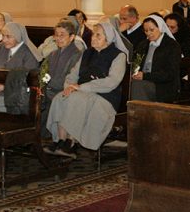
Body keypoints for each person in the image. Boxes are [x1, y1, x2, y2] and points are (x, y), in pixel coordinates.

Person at [45, 21, 128, 158]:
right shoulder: (87, 53)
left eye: (98, 35)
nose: (93, 38)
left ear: (108, 37)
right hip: (81, 91)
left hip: (105, 96)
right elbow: (73, 73)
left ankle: (70, 143)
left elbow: (111, 82)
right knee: (61, 97)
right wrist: (69, 87)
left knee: (76, 99)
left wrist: (81, 87)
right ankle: (60, 140)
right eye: (93, 34)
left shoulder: (118, 55)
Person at [39, 19, 85, 136]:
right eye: (56, 35)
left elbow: (69, 78)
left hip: (62, 91)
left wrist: (48, 88)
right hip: (49, 91)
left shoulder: (77, 55)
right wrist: (42, 85)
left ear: (72, 37)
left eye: (62, 35)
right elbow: (47, 74)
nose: (58, 38)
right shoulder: (53, 54)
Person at [130, 14, 181, 102]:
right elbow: (135, 63)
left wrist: (146, 76)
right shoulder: (143, 45)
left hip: (163, 85)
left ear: (160, 28)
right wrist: (134, 72)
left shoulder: (172, 46)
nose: (148, 33)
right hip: (143, 81)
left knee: (137, 85)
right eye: (146, 31)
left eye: (151, 30)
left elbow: (170, 74)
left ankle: (140, 114)